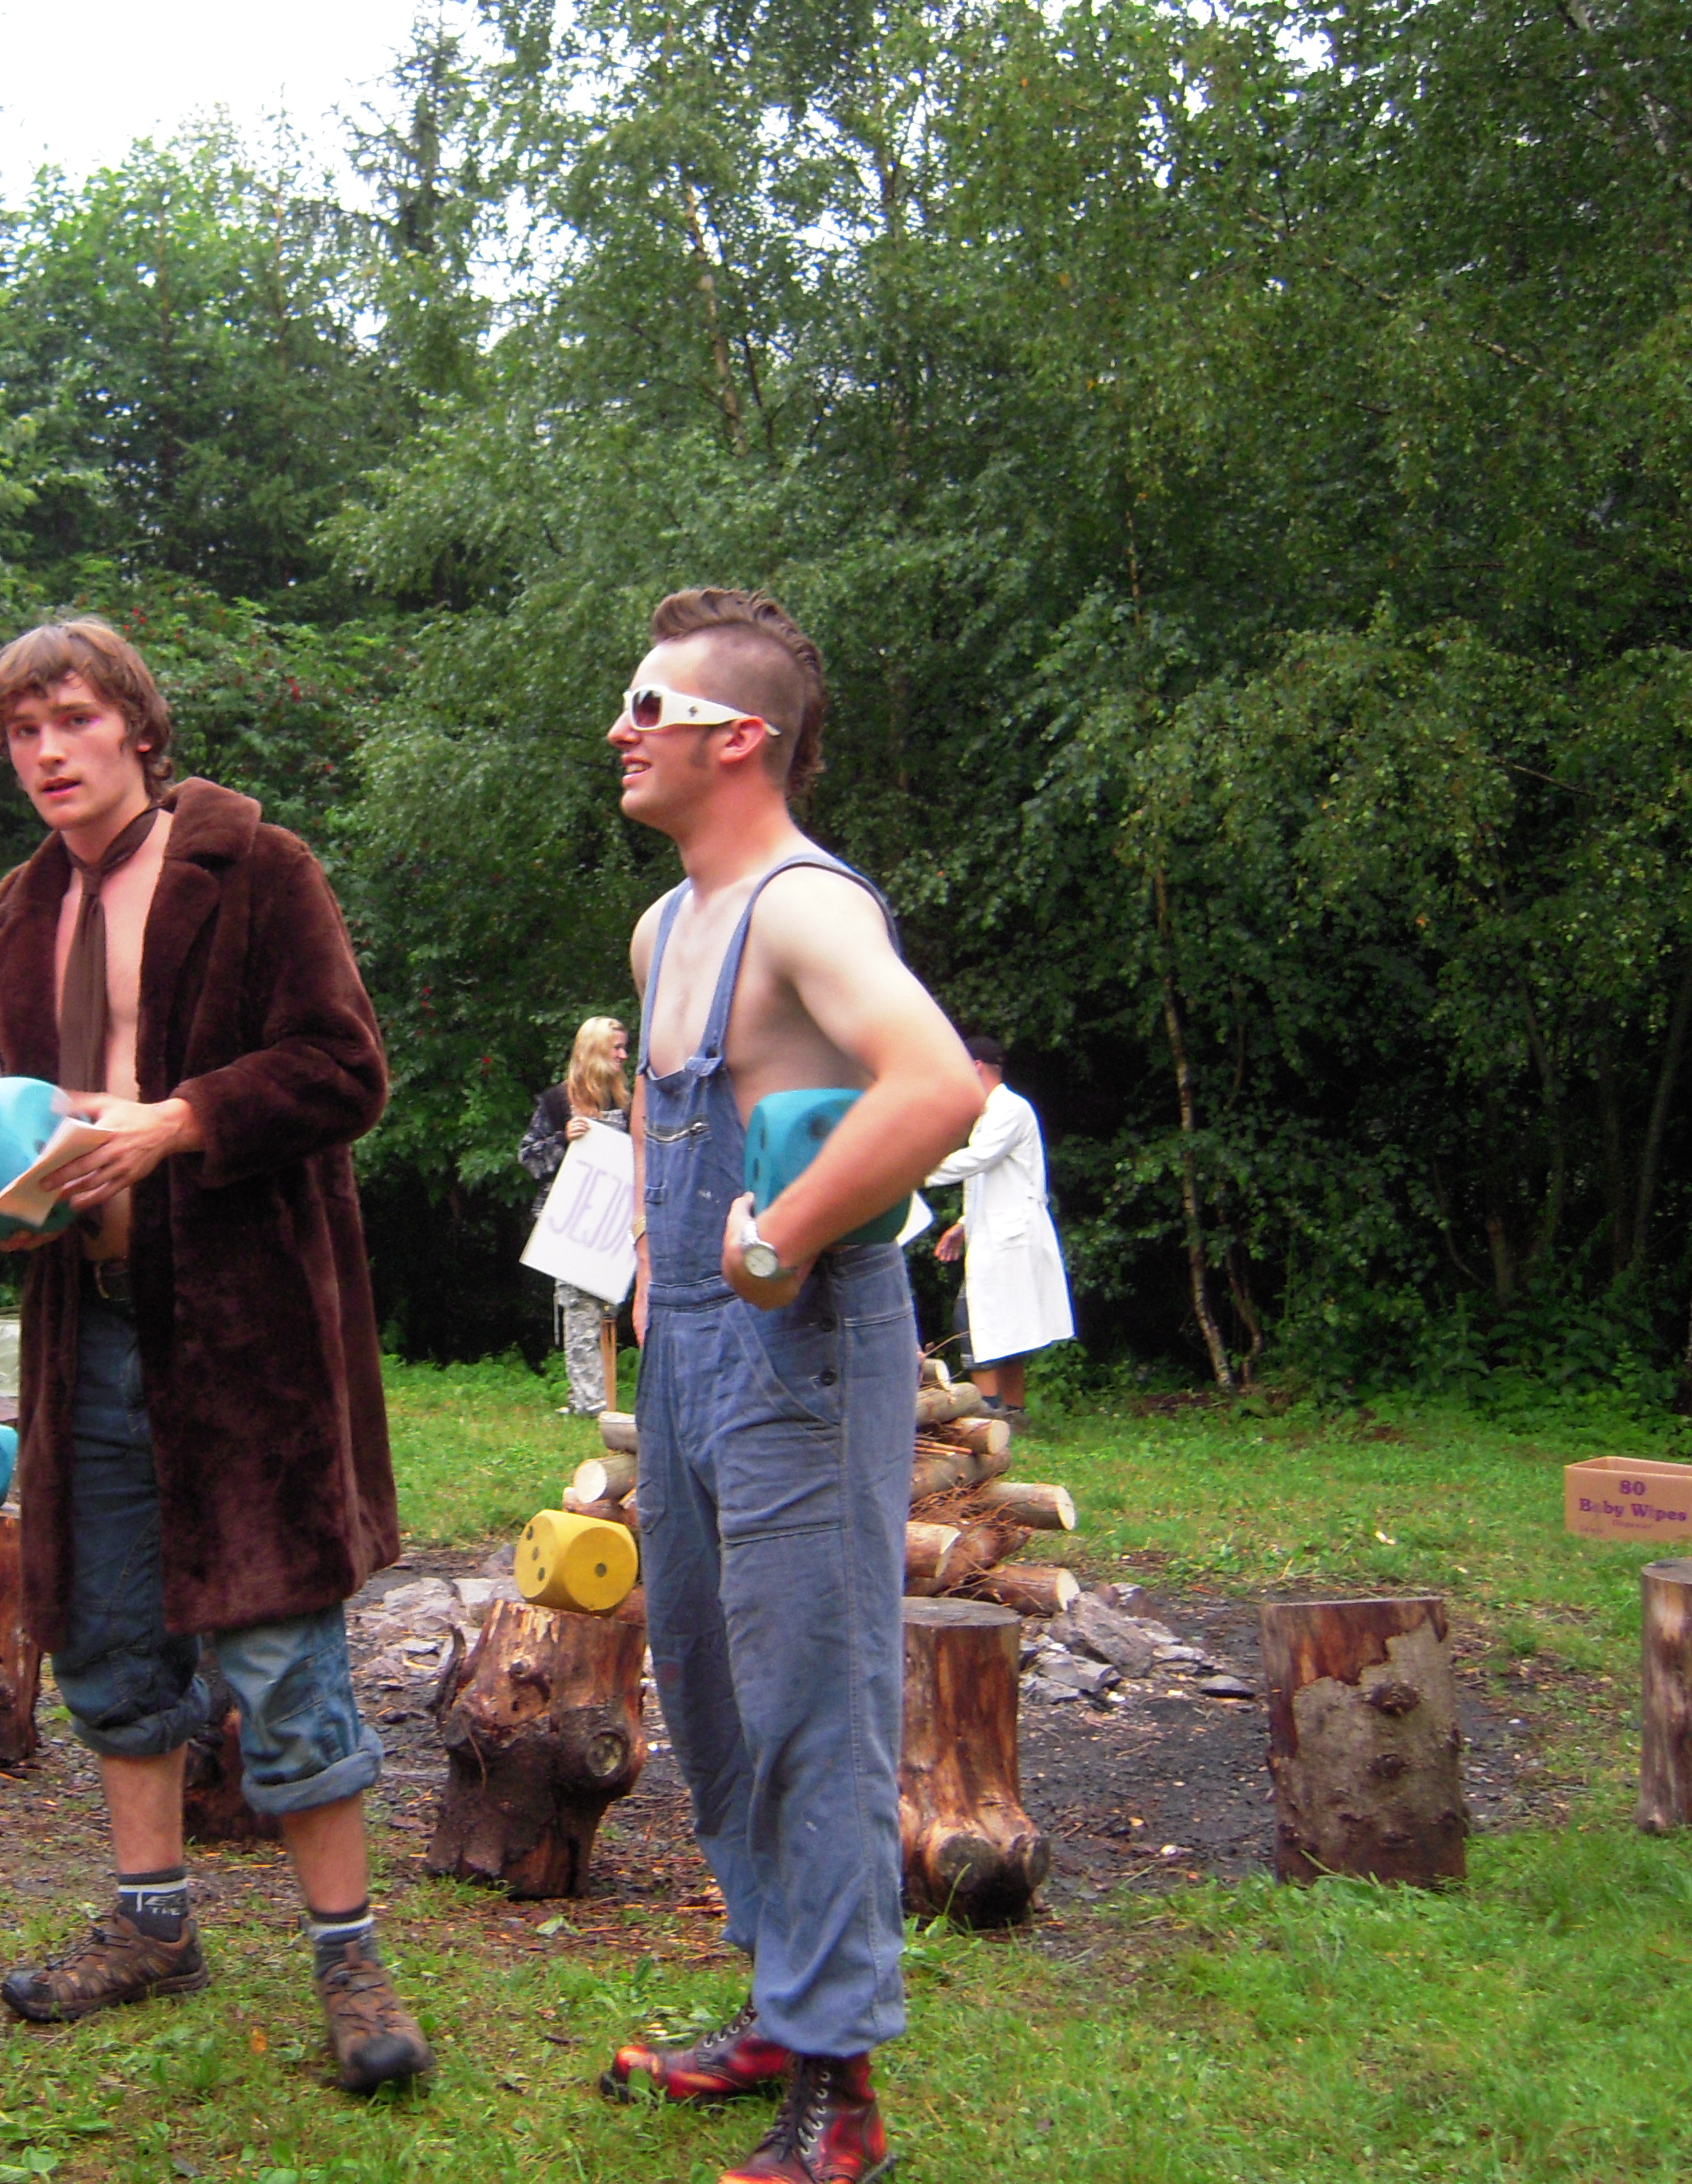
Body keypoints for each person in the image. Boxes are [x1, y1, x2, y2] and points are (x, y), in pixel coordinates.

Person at [0, 617, 430, 2094]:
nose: (49, 752)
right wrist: (7, 1196)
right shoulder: (20, 909)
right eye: (24, 732)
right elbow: (18, 1110)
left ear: (138, 728)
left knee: (281, 1644)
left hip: (245, 1336)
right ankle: (151, 1925)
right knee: (109, 1635)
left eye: (73, 719)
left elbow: (346, 1068)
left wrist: (178, 1123)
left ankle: (348, 1957)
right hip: (89, 1326)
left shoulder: (257, 866)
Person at [593, 591, 985, 2184]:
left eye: (648, 706)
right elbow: (663, 1119)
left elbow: (938, 1084)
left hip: (802, 1345)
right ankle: (777, 2003)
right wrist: (652, 1268)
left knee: (813, 1701)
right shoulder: (664, 926)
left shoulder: (805, 908)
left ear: (737, 738)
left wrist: (779, 1239)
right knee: (706, 1683)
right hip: (691, 1347)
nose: (619, 731)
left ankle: (840, 2089)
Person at [927, 1035, 1073, 1414]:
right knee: (1006, 1325)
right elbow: (996, 1180)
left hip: (1011, 1235)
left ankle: (989, 1413)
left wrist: (913, 1172)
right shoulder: (992, 1112)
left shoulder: (1010, 1109)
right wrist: (963, 1224)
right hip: (998, 1231)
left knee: (975, 1321)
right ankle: (1012, 1413)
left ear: (975, 1067)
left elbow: (980, 1159)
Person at [520, 1018, 634, 1415]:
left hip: (616, 1222)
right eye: (616, 1048)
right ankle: (587, 1400)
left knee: (609, 1308)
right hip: (570, 1221)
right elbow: (528, 1157)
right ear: (594, 1050)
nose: (624, 1055)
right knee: (577, 1305)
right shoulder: (557, 1101)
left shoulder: (628, 1104)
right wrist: (563, 1139)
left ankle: (603, 1395)